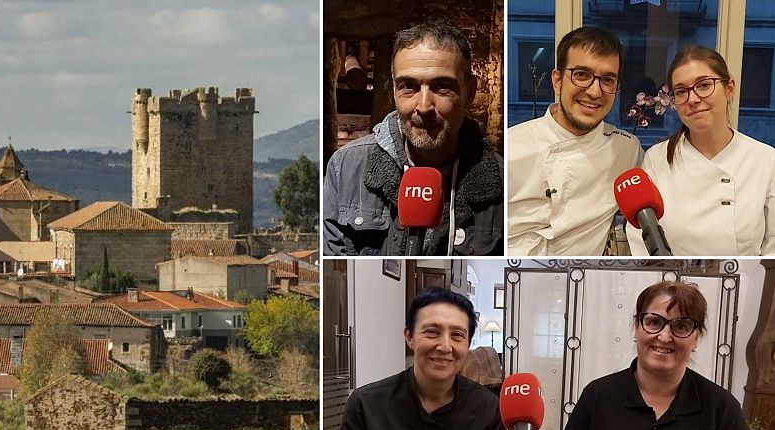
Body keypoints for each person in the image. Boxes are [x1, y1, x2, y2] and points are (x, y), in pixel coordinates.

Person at [553, 281, 761, 430]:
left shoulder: (721, 408)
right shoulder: (597, 397)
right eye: (654, 322)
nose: (664, 336)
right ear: (636, 327)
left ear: (697, 338)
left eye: (681, 326)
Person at [322, 22, 503, 256]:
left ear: (469, 93)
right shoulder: (345, 168)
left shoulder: (503, 182)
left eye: (442, 87)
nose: (424, 106)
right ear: (393, 92)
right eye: (409, 87)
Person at [333, 287, 514, 430]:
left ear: (468, 344)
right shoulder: (366, 405)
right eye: (432, 332)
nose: (445, 346)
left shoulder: (487, 406)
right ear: (409, 337)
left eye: (457, 335)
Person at [626, 45, 775, 255]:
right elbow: (641, 239)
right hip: (671, 283)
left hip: (744, 283)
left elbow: (773, 250)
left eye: (704, 85)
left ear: (730, 89)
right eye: (681, 91)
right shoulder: (657, 158)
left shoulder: (765, 160)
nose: (693, 99)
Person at [507, 26, 643, 255]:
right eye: (581, 75)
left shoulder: (627, 150)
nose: (594, 92)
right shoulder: (511, 148)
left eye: (607, 80)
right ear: (557, 80)